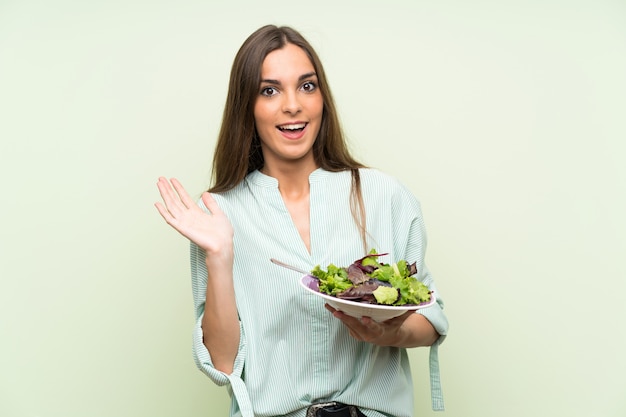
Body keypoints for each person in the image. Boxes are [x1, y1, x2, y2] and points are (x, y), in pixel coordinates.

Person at [155, 24, 448, 417]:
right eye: (269, 90)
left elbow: (430, 315)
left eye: (307, 86)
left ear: (322, 98)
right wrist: (220, 256)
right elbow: (223, 366)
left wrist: (389, 331)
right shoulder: (219, 216)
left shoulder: (384, 195)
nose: (292, 105)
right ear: (248, 106)